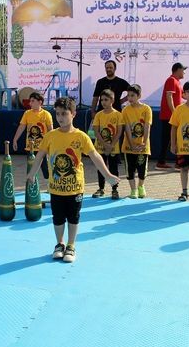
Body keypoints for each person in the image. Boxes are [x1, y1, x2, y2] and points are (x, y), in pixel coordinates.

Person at [26, 97, 119, 263]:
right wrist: (32, 173)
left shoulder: (81, 136)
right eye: (58, 114)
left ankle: (71, 245)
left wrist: (108, 175)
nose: (60, 117)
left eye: (64, 114)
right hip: (56, 188)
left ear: (73, 114)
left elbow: (95, 156)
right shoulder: (50, 136)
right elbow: (40, 156)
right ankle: (59, 243)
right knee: (58, 217)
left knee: (73, 216)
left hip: (75, 187)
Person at [12, 91, 53, 181]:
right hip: (30, 147)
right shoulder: (27, 113)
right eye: (30, 101)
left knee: (45, 167)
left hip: (43, 147)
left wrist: (52, 144)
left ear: (40, 102)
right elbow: (22, 126)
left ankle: (50, 185)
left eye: (33, 101)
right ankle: (32, 185)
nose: (30, 103)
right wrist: (15, 139)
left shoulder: (46, 114)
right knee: (31, 167)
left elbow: (51, 130)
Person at [91, 89, 123, 200]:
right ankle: (101, 188)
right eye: (102, 100)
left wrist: (111, 145)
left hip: (113, 148)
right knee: (101, 167)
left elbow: (119, 131)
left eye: (106, 99)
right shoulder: (98, 115)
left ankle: (115, 189)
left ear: (112, 100)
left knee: (114, 168)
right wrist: (104, 144)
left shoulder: (118, 115)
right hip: (100, 147)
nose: (103, 102)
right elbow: (96, 131)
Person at [122, 84, 152, 199]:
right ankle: (133, 189)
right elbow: (128, 128)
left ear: (139, 96)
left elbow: (146, 126)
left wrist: (144, 142)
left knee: (142, 170)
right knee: (130, 170)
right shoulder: (125, 110)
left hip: (142, 147)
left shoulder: (146, 109)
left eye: (132, 95)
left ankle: (141, 186)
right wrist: (131, 144)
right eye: (128, 95)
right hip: (129, 147)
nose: (130, 98)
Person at [157, 62, 186, 169]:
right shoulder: (171, 80)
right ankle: (174, 163)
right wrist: (174, 113)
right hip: (168, 116)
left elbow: (185, 96)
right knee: (169, 139)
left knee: (171, 139)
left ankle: (163, 162)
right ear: (178, 70)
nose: (184, 72)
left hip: (173, 116)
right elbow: (169, 97)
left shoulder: (177, 82)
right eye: (183, 70)